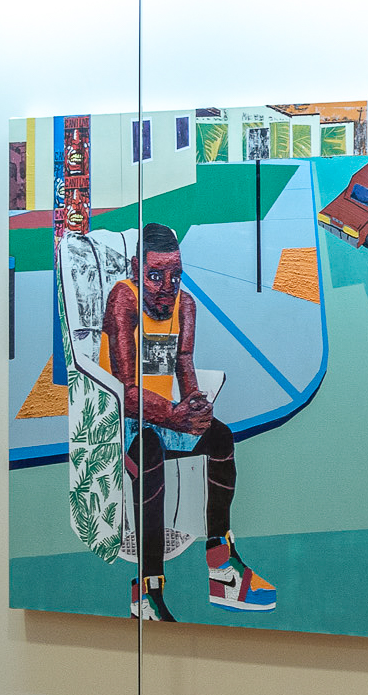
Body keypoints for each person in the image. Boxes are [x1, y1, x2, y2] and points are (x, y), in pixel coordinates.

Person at [99, 222, 259, 617]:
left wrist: (195, 406)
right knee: (150, 450)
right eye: (155, 276)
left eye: (175, 276)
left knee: (220, 437)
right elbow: (125, 390)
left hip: (164, 418)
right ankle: (147, 591)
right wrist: (175, 416)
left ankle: (220, 562)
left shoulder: (185, 306)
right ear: (136, 269)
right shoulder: (123, 298)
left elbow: (184, 363)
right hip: (117, 423)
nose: (167, 288)